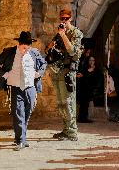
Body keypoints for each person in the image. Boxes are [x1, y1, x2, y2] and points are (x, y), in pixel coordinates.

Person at [0, 31, 47, 151]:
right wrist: (4, 74)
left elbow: (43, 64)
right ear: (19, 44)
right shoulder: (9, 52)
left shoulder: (34, 53)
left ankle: (21, 138)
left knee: (27, 112)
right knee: (18, 113)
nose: (25, 50)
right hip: (14, 87)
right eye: (23, 48)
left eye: (28, 48)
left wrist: (38, 74)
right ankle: (20, 141)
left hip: (30, 87)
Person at [45, 8, 83, 141]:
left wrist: (63, 35)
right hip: (57, 71)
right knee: (61, 103)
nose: (64, 21)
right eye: (62, 19)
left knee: (68, 102)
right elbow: (48, 50)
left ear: (70, 19)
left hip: (68, 72)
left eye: (66, 19)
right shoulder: (58, 34)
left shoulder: (76, 33)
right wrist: (51, 46)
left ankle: (72, 132)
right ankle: (66, 130)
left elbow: (73, 52)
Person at [77, 56, 104, 123]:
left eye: (93, 60)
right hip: (84, 88)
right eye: (90, 60)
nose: (92, 62)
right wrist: (88, 71)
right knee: (83, 103)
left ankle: (84, 118)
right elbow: (81, 76)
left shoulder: (96, 69)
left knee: (87, 103)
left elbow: (98, 76)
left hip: (91, 88)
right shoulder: (85, 68)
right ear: (88, 61)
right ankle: (81, 118)